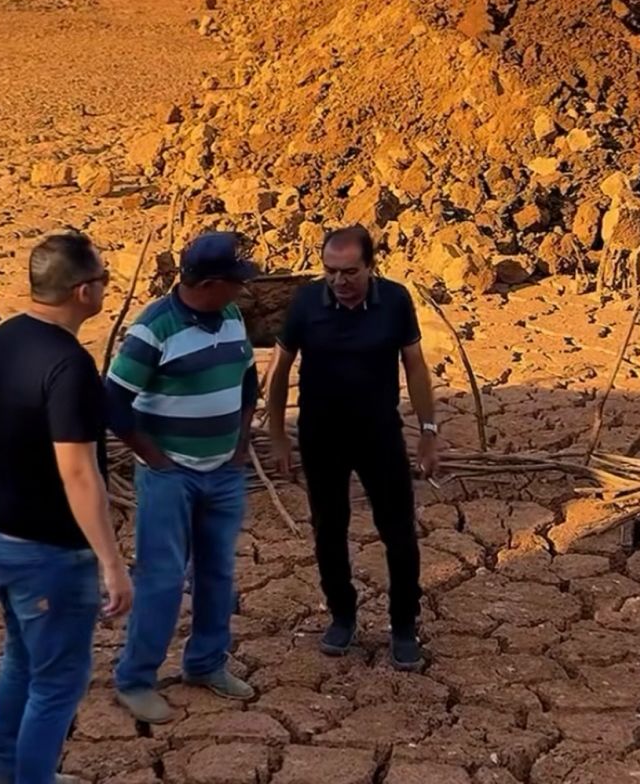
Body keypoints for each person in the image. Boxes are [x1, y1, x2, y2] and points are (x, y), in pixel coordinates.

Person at [0, 230, 132, 784]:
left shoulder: (2, 339)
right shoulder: (69, 366)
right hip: (49, 551)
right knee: (59, 682)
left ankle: (4, 772)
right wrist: (112, 564)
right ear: (83, 291)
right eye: (105, 280)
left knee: (21, 660)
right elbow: (78, 472)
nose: (107, 288)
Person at [266, 225, 438, 671]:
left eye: (350, 273)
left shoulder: (396, 301)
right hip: (322, 435)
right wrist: (279, 435)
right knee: (329, 529)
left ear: (371, 267)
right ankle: (341, 615)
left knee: (398, 532)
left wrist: (428, 430)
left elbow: (415, 367)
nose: (340, 282)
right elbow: (279, 368)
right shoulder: (306, 301)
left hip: (379, 433)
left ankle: (403, 625)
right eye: (331, 272)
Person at [105, 232, 259, 723]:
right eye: (236, 282)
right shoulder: (155, 329)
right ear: (210, 283)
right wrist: (157, 459)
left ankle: (206, 663)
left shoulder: (231, 316)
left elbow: (248, 380)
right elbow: (112, 403)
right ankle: (135, 680)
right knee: (163, 580)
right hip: (170, 478)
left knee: (217, 574)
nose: (243, 291)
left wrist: (239, 445)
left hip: (223, 474)